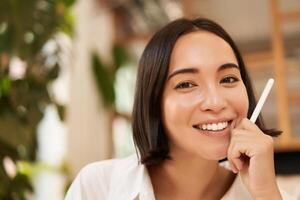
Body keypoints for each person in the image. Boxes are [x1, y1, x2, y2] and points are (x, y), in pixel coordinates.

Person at [65, 17, 295, 200]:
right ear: (153, 100)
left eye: (228, 79)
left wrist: (265, 195)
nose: (215, 102)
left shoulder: (270, 196)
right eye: (186, 84)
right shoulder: (99, 188)